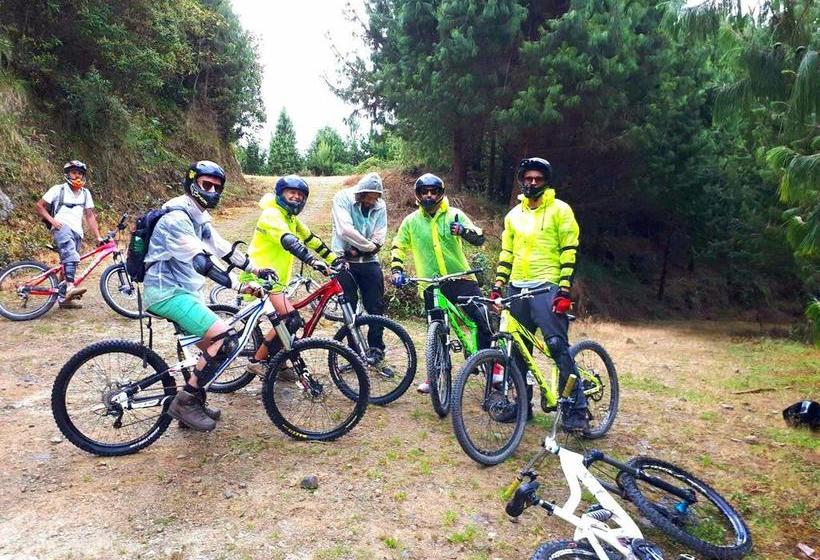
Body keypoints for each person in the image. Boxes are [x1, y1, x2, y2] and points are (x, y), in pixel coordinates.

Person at [143, 161, 271, 432]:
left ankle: (194, 402)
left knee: (214, 348)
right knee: (222, 337)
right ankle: (185, 402)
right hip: (167, 292)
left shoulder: (197, 215)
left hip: (184, 291)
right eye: (206, 185)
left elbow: (222, 248)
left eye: (217, 187)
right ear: (192, 183)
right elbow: (202, 262)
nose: (212, 190)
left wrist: (255, 269)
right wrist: (238, 286)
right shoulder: (177, 218)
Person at [492, 157, 588, 432]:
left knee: (557, 345)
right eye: (529, 178)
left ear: (546, 182)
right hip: (517, 286)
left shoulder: (561, 210)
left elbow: (569, 251)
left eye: (539, 179)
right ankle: (521, 406)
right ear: (522, 181)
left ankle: (576, 409)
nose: (533, 183)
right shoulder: (513, 216)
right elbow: (506, 254)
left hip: (548, 285)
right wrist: (498, 284)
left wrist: (565, 290)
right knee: (518, 350)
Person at [390, 173, 493, 394]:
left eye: (433, 191)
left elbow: (480, 238)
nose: (429, 195)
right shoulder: (411, 222)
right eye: (424, 191)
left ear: (440, 193)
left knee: (482, 316)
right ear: (418, 195)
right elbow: (399, 245)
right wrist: (396, 269)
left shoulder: (455, 215)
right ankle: (434, 375)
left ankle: (491, 365)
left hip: (461, 279)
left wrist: (463, 231)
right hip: (431, 284)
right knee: (436, 331)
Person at [241, 175, 339, 375]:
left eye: (301, 195)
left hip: (274, 281)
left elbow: (311, 239)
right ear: (280, 194)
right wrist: (312, 261)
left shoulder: (290, 218)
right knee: (291, 320)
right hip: (259, 277)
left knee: (288, 320)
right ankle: (256, 361)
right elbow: (289, 241)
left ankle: (280, 362)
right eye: (292, 193)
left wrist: (335, 259)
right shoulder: (271, 215)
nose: (296, 197)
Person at [330, 172, 388, 351]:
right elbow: (345, 230)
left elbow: (380, 236)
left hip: (369, 262)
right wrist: (369, 246)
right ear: (360, 193)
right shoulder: (342, 198)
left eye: (375, 198)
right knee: (349, 308)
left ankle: (376, 349)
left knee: (376, 307)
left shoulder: (380, 205)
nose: (372, 201)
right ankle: (353, 353)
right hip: (343, 260)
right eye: (369, 197)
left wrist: (360, 249)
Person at [35, 161, 104, 308]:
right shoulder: (58, 189)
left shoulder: (85, 193)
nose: (77, 175)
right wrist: (53, 221)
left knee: (68, 263)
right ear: (67, 174)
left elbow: (90, 216)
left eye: (80, 173)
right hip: (61, 227)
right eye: (74, 172)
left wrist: (98, 236)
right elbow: (39, 206)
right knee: (71, 256)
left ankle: (64, 300)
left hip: (77, 232)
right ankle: (70, 287)